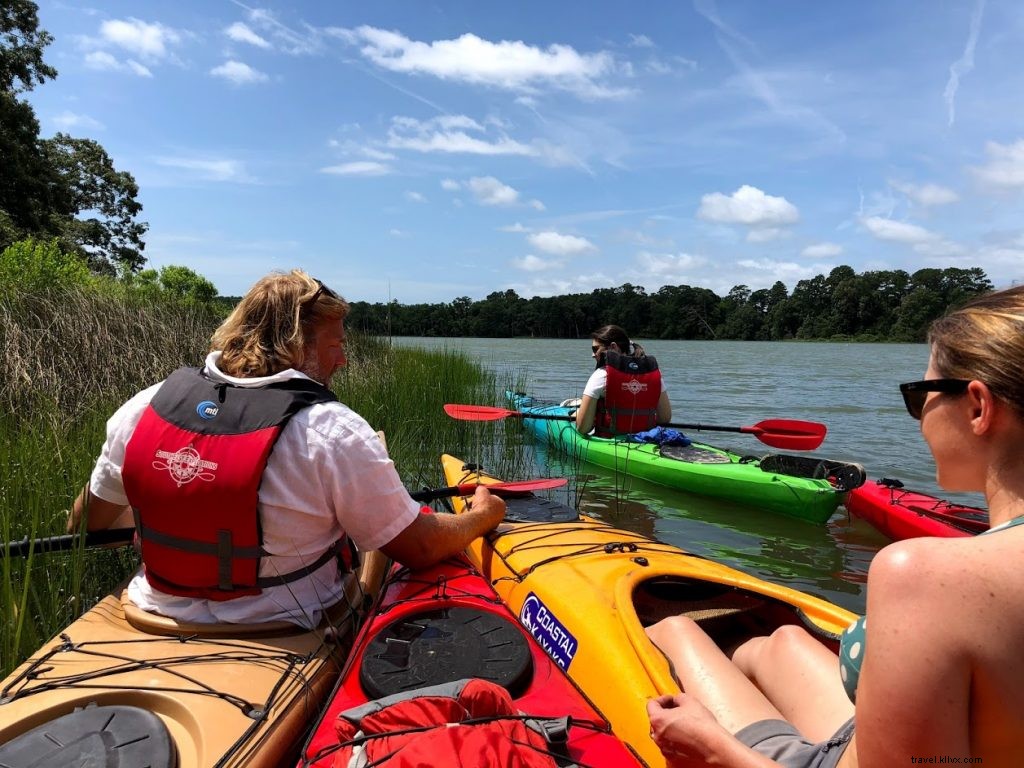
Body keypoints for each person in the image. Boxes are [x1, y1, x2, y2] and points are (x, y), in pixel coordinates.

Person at [644, 284, 1024, 768]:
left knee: (676, 628)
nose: (918, 416)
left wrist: (714, 749)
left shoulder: (924, 575)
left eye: (918, 395)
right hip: (881, 737)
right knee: (782, 641)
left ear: (977, 407)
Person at [67, 269, 506, 629]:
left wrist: (176, 506)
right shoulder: (332, 430)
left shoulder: (146, 406)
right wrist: (483, 515)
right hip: (286, 624)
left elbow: (87, 526)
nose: (343, 360)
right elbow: (419, 548)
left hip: (153, 613)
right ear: (299, 346)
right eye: (336, 346)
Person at [574, 324, 672, 436]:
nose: (593, 355)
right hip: (645, 440)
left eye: (595, 349)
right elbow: (665, 418)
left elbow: (583, 428)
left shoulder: (600, 375)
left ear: (613, 347)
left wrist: (580, 414)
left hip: (611, 442)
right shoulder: (652, 372)